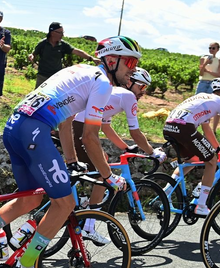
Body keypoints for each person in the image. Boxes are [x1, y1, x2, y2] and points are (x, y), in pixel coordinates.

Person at [0, 36, 142, 268]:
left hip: (15, 126)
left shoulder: (80, 72)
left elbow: (66, 123)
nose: (133, 68)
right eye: (130, 61)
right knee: (65, 203)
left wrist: (72, 161)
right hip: (34, 130)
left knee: (29, 200)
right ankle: (27, 263)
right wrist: (108, 176)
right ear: (111, 60)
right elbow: (89, 137)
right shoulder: (102, 84)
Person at [71, 67, 166, 213]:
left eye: (145, 87)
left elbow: (106, 127)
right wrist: (152, 153)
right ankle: (89, 223)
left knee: (103, 161)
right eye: (142, 86)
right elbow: (135, 132)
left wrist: (125, 148)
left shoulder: (115, 94)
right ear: (130, 82)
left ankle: (83, 201)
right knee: (104, 173)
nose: (143, 91)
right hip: (80, 128)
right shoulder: (128, 96)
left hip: (77, 126)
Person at [162, 78, 220, 217]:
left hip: (169, 127)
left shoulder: (202, 99)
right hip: (184, 128)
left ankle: (167, 190)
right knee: (212, 161)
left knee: (193, 160)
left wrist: (217, 147)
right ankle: (201, 205)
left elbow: (207, 129)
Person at [28, 22, 96, 88]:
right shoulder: (43, 43)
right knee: (38, 95)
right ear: (52, 33)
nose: (62, 35)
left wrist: (91, 58)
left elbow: (76, 51)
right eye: (60, 32)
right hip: (42, 76)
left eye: (63, 32)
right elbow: (34, 54)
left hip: (56, 77)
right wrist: (32, 56)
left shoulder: (63, 45)